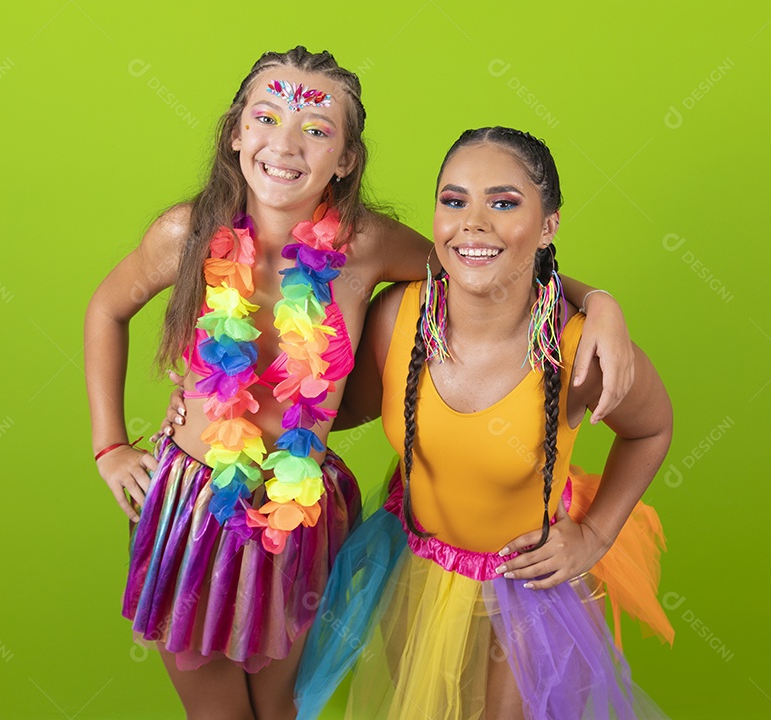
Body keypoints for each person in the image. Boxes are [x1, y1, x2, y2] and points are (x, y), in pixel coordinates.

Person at [84, 47, 637, 719]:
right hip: (197, 501)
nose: (284, 145)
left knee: (286, 705)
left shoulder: (365, 245)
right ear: (235, 133)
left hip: (300, 508)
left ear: (345, 158)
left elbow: (482, 262)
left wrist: (598, 301)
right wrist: (111, 446)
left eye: (316, 130)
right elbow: (106, 309)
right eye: (265, 117)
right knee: (217, 711)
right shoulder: (186, 233)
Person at [292, 127, 675, 720]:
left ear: (548, 226)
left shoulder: (579, 352)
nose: (473, 222)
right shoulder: (398, 317)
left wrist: (595, 536)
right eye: (454, 200)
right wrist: (218, 404)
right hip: (413, 565)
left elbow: (650, 429)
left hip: (525, 588)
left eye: (503, 202)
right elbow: (333, 411)